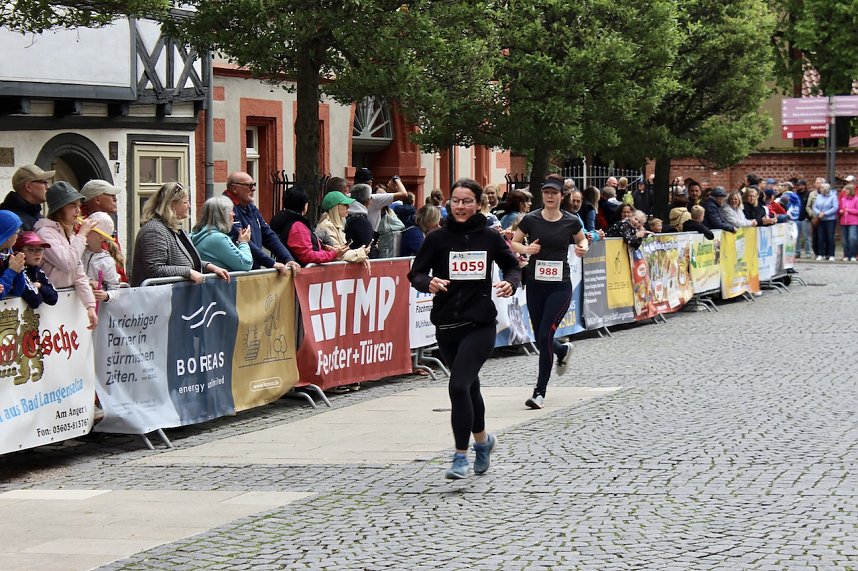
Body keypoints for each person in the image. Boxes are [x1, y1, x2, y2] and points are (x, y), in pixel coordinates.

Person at [408, 178, 521, 479]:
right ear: (449, 203)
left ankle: (460, 455)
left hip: (480, 324)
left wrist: (510, 282)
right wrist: (427, 282)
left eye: (467, 201)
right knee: (469, 387)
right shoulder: (437, 239)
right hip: (447, 325)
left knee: (457, 386)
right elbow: (415, 273)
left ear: (478, 204)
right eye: (456, 201)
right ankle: (483, 442)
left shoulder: (490, 237)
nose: (460, 206)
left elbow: (513, 266)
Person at [511, 176, 588, 410]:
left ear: (561, 196)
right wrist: (527, 249)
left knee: (544, 334)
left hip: (560, 286)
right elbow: (514, 242)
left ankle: (539, 393)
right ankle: (562, 349)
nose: (550, 196)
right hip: (535, 285)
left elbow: (583, 240)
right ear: (542, 195)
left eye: (554, 193)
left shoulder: (571, 221)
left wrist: (582, 248)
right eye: (546, 192)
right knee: (540, 336)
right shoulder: (531, 219)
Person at [131, 182, 230, 287]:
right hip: (158, 299)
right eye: (185, 202)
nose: (189, 206)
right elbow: (155, 269)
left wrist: (211, 267)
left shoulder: (176, 228)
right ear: (171, 204)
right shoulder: (154, 230)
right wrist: (189, 272)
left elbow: (188, 260)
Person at [34, 182, 99, 329]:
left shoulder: (69, 234)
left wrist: (90, 306)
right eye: (72, 206)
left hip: (63, 305)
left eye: (78, 206)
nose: (78, 211)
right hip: (47, 305)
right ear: (59, 209)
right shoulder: (45, 233)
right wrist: (82, 234)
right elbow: (67, 263)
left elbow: (78, 273)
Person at [223, 171, 299, 274]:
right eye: (249, 186)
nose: (253, 189)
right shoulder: (226, 209)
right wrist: (271, 263)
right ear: (235, 188)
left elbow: (268, 235)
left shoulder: (251, 208)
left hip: (252, 271)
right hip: (237, 274)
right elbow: (242, 239)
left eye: (254, 185)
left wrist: (288, 259)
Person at [270, 186, 345, 266]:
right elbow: (307, 256)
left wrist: (326, 251)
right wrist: (333, 254)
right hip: (300, 273)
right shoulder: (297, 226)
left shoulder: (286, 221)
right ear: (304, 204)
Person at [80, 178, 128, 283]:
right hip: (98, 291)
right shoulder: (83, 226)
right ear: (97, 199)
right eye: (111, 195)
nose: (115, 199)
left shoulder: (104, 223)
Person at [191, 196, 253, 272]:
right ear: (222, 215)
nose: (233, 214)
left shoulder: (196, 234)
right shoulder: (218, 238)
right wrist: (244, 242)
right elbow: (246, 264)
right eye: (231, 211)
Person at [314, 191, 371, 265]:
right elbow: (338, 254)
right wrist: (361, 253)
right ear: (335, 207)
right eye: (345, 204)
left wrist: (361, 257)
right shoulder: (327, 225)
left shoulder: (336, 224)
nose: (348, 207)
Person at [81, 212, 123, 303]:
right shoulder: (79, 251)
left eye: (89, 229)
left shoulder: (107, 261)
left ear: (100, 238)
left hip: (96, 310)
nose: (83, 229)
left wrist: (107, 295)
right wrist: (88, 282)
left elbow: (115, 289)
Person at [13, 231, 59, 308]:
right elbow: (35, 300)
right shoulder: (17, 270)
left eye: (40, 249)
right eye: (31, 250)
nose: (37, 254)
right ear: (19, 252)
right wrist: (38, 291)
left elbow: (54, 298)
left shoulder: (37, 271)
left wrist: (40, 286)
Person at [1, 164, 54, 230]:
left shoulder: (37, 215)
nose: (48, 187)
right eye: (44, 182)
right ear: (28, 187)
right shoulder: (7, 219)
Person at [0, 211, 26, 301]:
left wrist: (18, 270)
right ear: (7, 234)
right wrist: (11, 271)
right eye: (16, 232)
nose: (18, 236)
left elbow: (18, 291)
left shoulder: (8, 254)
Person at [812, 182, 839, 261]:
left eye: (821, 188)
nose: (820, 189)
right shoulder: (819, 196)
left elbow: (835, 207)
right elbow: (815, 206)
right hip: (820, 219)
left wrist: (825, 213)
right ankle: (820, 254)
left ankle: (831, 254)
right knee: (820, 237)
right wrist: (818, 213)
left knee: (830, 237)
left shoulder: (833, 196)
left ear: (825, 189)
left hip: (830, 220)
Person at [838, 183, 858, 261]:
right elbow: (840, 208)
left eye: (846, 189)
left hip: (853, 222)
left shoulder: (856, 199)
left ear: (851, 190)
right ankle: (846, 255)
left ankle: (853, 254)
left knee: (852, 238)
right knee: (845, 239)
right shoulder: (843, 199)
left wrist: (849, 210)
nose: (845, 191)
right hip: (844, 221)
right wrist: (840, 211)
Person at [794, 179, 812, 258]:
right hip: (797, 218)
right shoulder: (795, 195)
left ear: (804, 186)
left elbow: (809, 206)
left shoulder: (808, 194)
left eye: (799, 185)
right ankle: (797, 252)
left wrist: (808, 217)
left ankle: (808, 252)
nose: (798, 187)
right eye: (797, 185)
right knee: (797, 236)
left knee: (806, 237)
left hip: (805, 218)